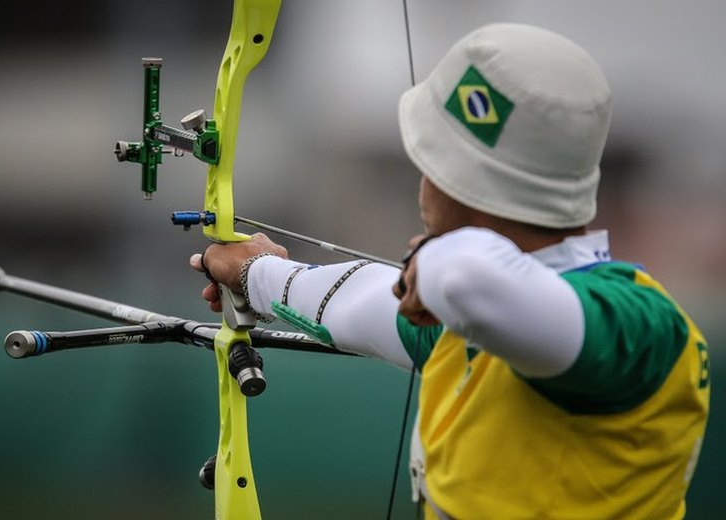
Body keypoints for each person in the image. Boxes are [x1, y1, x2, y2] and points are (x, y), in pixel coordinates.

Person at [191, 23, 710, 519]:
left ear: (453, 177)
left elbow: (464, 280)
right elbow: (360, 301)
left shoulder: (641, 328)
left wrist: (437, 258)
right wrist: (254, 272)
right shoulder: (490, 323)